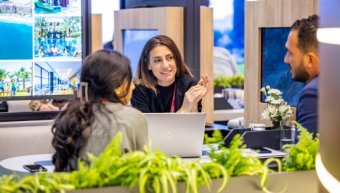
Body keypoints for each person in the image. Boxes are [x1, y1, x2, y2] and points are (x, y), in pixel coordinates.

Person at [52, 50, 148, 171]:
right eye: (129, 80)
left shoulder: (70, 115)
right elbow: (143, 168)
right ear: (117, 87)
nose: (133, 86)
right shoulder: (135, 118)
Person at [131, 35, 209, 113]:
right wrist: (184, 109)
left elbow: (194, 123)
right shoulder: (139, 90)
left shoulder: (189, 84)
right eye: (158, 60)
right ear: (148, 64)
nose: (165, 66)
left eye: (170, 58)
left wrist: (194, 101)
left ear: (176, 60)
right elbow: (145, 125)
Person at [284, 15, 319, 136]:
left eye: (290, 53)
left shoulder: (313, 94)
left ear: (309, 60)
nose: (286, 60)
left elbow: (306, 153)